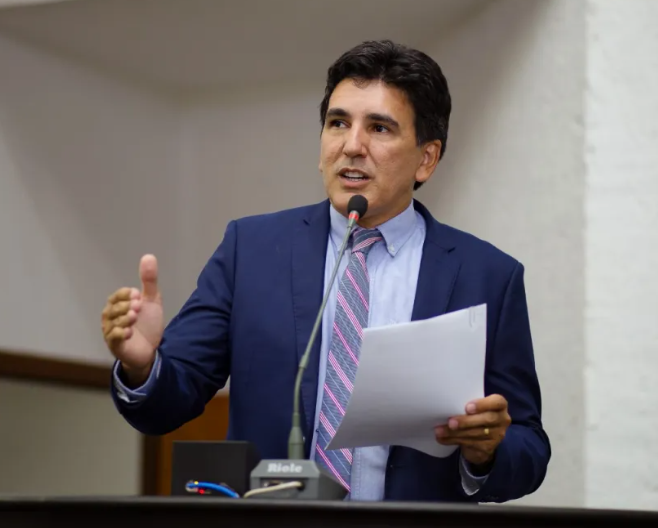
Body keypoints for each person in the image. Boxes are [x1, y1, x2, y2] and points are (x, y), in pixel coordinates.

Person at [101, 39, 550, 503]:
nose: (351, 146)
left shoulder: (487, 276)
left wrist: (486, 450)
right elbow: (167, 404)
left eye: (379, 128)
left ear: (426, 159)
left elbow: (530, 450)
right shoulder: (251, 250)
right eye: (338, 123)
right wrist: (141, 366)